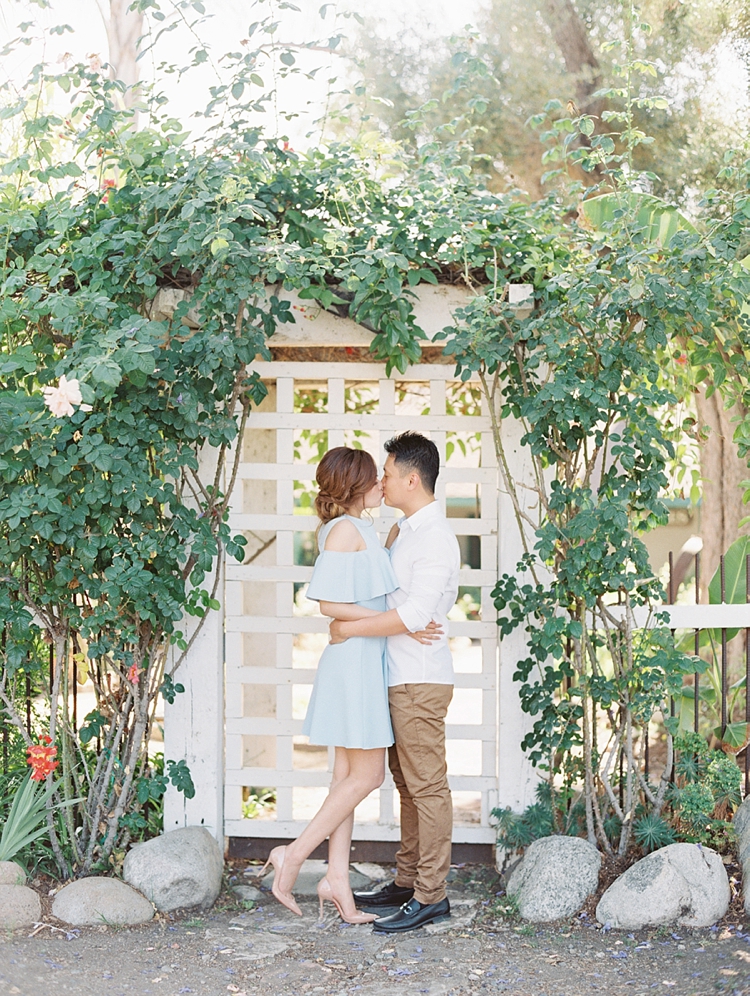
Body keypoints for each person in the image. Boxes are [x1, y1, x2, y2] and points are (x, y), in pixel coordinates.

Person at [259, 446, 436, 924]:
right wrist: (398, 622)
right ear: (356, 486)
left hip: (363, 657)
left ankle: (338, 881)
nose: (383, 482)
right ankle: (292, 855)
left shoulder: (362, 529)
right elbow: (328, 604)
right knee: (368, 776)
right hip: (354, 662)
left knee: (345, 779)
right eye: (375, 478)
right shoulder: (342, 531)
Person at [329, 431, 460, 934]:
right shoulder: (400, 531)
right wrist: (392, 618)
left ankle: (431, 895)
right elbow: (398, 608)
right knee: (407, 784)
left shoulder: (435, 539)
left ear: (411, 477)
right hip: (392, 673)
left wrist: (349, 627)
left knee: (427, 787)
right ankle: (406, 883)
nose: (380, 480)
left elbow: (413, 613)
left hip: (420, 680)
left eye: (387, 472)